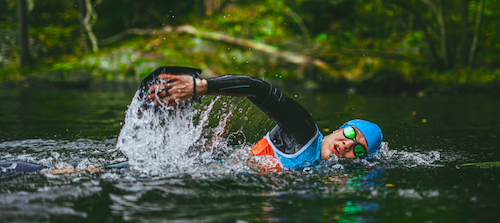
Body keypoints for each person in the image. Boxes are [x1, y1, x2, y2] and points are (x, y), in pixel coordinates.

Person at [145, 66, 383, 170]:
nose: (347, 145)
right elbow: (258, 89)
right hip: (197, 165)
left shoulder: (321, 169)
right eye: (351, 134)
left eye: (358, 150)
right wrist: (202, 86)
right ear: (340, 129)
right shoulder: (304, 131)